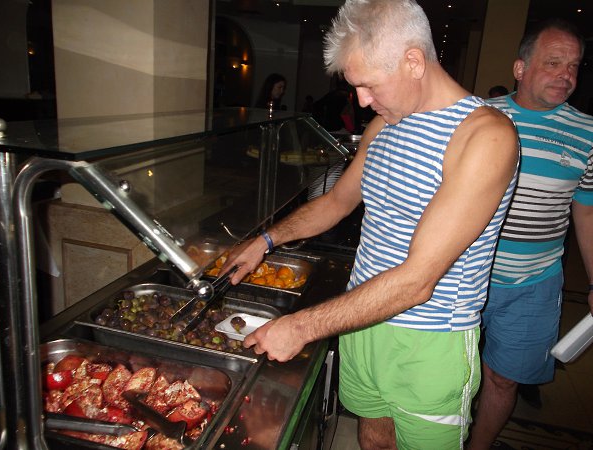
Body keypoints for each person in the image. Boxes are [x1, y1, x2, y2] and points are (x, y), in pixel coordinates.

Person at [223, 0, 519, 448]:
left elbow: (417, 282)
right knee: (373, 438)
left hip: (428, 342)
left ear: (413, 61)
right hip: (361, 319)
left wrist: (300, 327)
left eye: (369, 85)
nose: (361, 100)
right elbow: (337, 202)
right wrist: (265, 240)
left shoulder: (485, 136)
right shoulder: (384, 125)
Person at [469, 18, 593, 449]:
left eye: (573, 66)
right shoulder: (478, 118)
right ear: (520, 68)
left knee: (504, 378)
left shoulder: (588, 133)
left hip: (535, 282)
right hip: (466, 275)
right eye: (554, 62)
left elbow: (586, 212)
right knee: (452, 372)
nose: (566, 75)